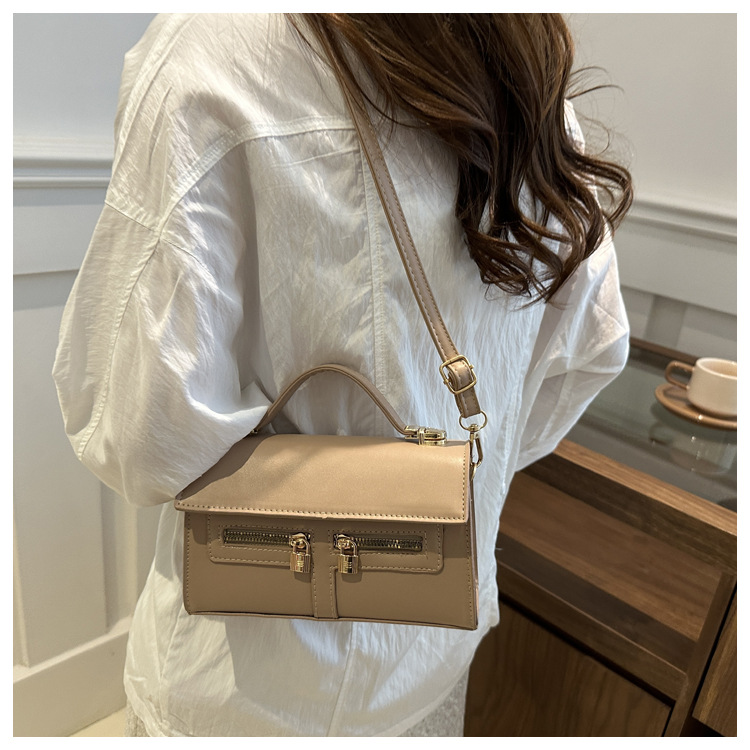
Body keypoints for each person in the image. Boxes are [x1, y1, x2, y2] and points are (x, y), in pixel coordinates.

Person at [52, 13, 633, 737]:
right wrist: (438, 476)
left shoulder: (217, 47)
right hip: (424, 660)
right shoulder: (529, 76)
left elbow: (137, 436)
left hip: (241, 686)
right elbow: (590, 352)